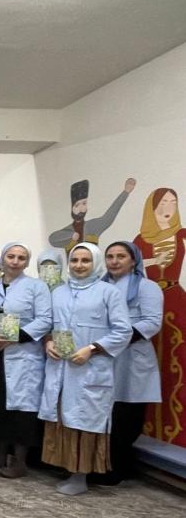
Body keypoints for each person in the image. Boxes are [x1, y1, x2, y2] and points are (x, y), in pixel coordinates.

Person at [39, 243, 131, 495]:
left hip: (90, 370)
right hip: (60, 368)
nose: (79, 265)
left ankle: (80, 478)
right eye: (75, 260)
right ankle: (69, 471)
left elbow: (123, 331)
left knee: (84, 422)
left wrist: (91, 348)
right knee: (63, 419)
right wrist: (48, 342)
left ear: (96, 263)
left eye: (85, 261)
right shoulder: (58, 292)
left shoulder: (108, 292)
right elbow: (48, 324)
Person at [91, 241, 162, 485]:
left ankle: (117, 468)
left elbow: (152, 322)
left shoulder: (146, 287)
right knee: (103, 413)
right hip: (102, 355)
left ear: (134, 260)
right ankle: (101, 464)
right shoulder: (98, 287)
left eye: (121, 256)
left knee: (126, 416)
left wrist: (115, 339)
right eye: (110, 256)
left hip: (131, 357)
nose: (114, 261)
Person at [0, 242, 52, 478]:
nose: (15, 261)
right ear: (2, 259)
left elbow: (45, 320)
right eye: (11, 256)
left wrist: (15, 338)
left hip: (24, 356)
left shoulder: (37, 287)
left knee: (22, 411)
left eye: (21, 258)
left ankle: (20, 463)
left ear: (27, 262)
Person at [132, 187, 186, 446]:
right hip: (148, 302)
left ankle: (178, 429)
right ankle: (150, 426)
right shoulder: (141, 239)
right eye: (164, 202)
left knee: (178, 360)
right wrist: (154, 261)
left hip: (176, 300)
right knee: (150, 362)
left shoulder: (182, 235)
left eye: (173, 202)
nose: (169, 206)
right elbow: (131, 266)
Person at [49, 178, 136, 253]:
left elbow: (109, 217)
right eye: (77, 205)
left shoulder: (93, 226)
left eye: (84, 204)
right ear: (72, 208)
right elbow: (52, 239)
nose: (81, 208)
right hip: (74, 267)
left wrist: (126, 192)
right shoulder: (67, 231)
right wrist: (71, 235)